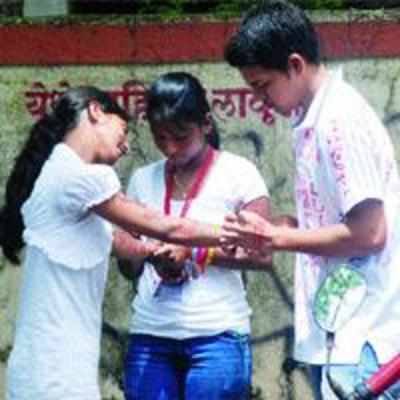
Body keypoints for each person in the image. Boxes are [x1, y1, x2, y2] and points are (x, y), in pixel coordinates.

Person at [223, 2, 400, 399]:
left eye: (262, 85)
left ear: (296, 64)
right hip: (341, 334)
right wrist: (278, 228)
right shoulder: (313, 117)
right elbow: (335, 222)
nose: (258, 99)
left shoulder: (339, 120)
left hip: (366, 338)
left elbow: (370, 233)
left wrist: (276, 239)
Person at [0, 86, 222, 400]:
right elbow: (166, 227)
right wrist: (233, 233)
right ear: (96, 111)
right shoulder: (83, 178)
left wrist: (153, 253)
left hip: (45, 365)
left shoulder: (54, 173)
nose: (128, 145)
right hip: (57, 371)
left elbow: (121, 242)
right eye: (124, 129)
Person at [118, 71, 273, 400]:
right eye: (160, 137)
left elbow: (262, 253)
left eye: (180, 136)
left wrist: (196, 253)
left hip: (217, 335)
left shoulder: (239, 174)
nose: (170, 148)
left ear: (205, 124)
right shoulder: (142, 179)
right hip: (151, 333)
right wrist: (148, 255)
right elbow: (126, 268)